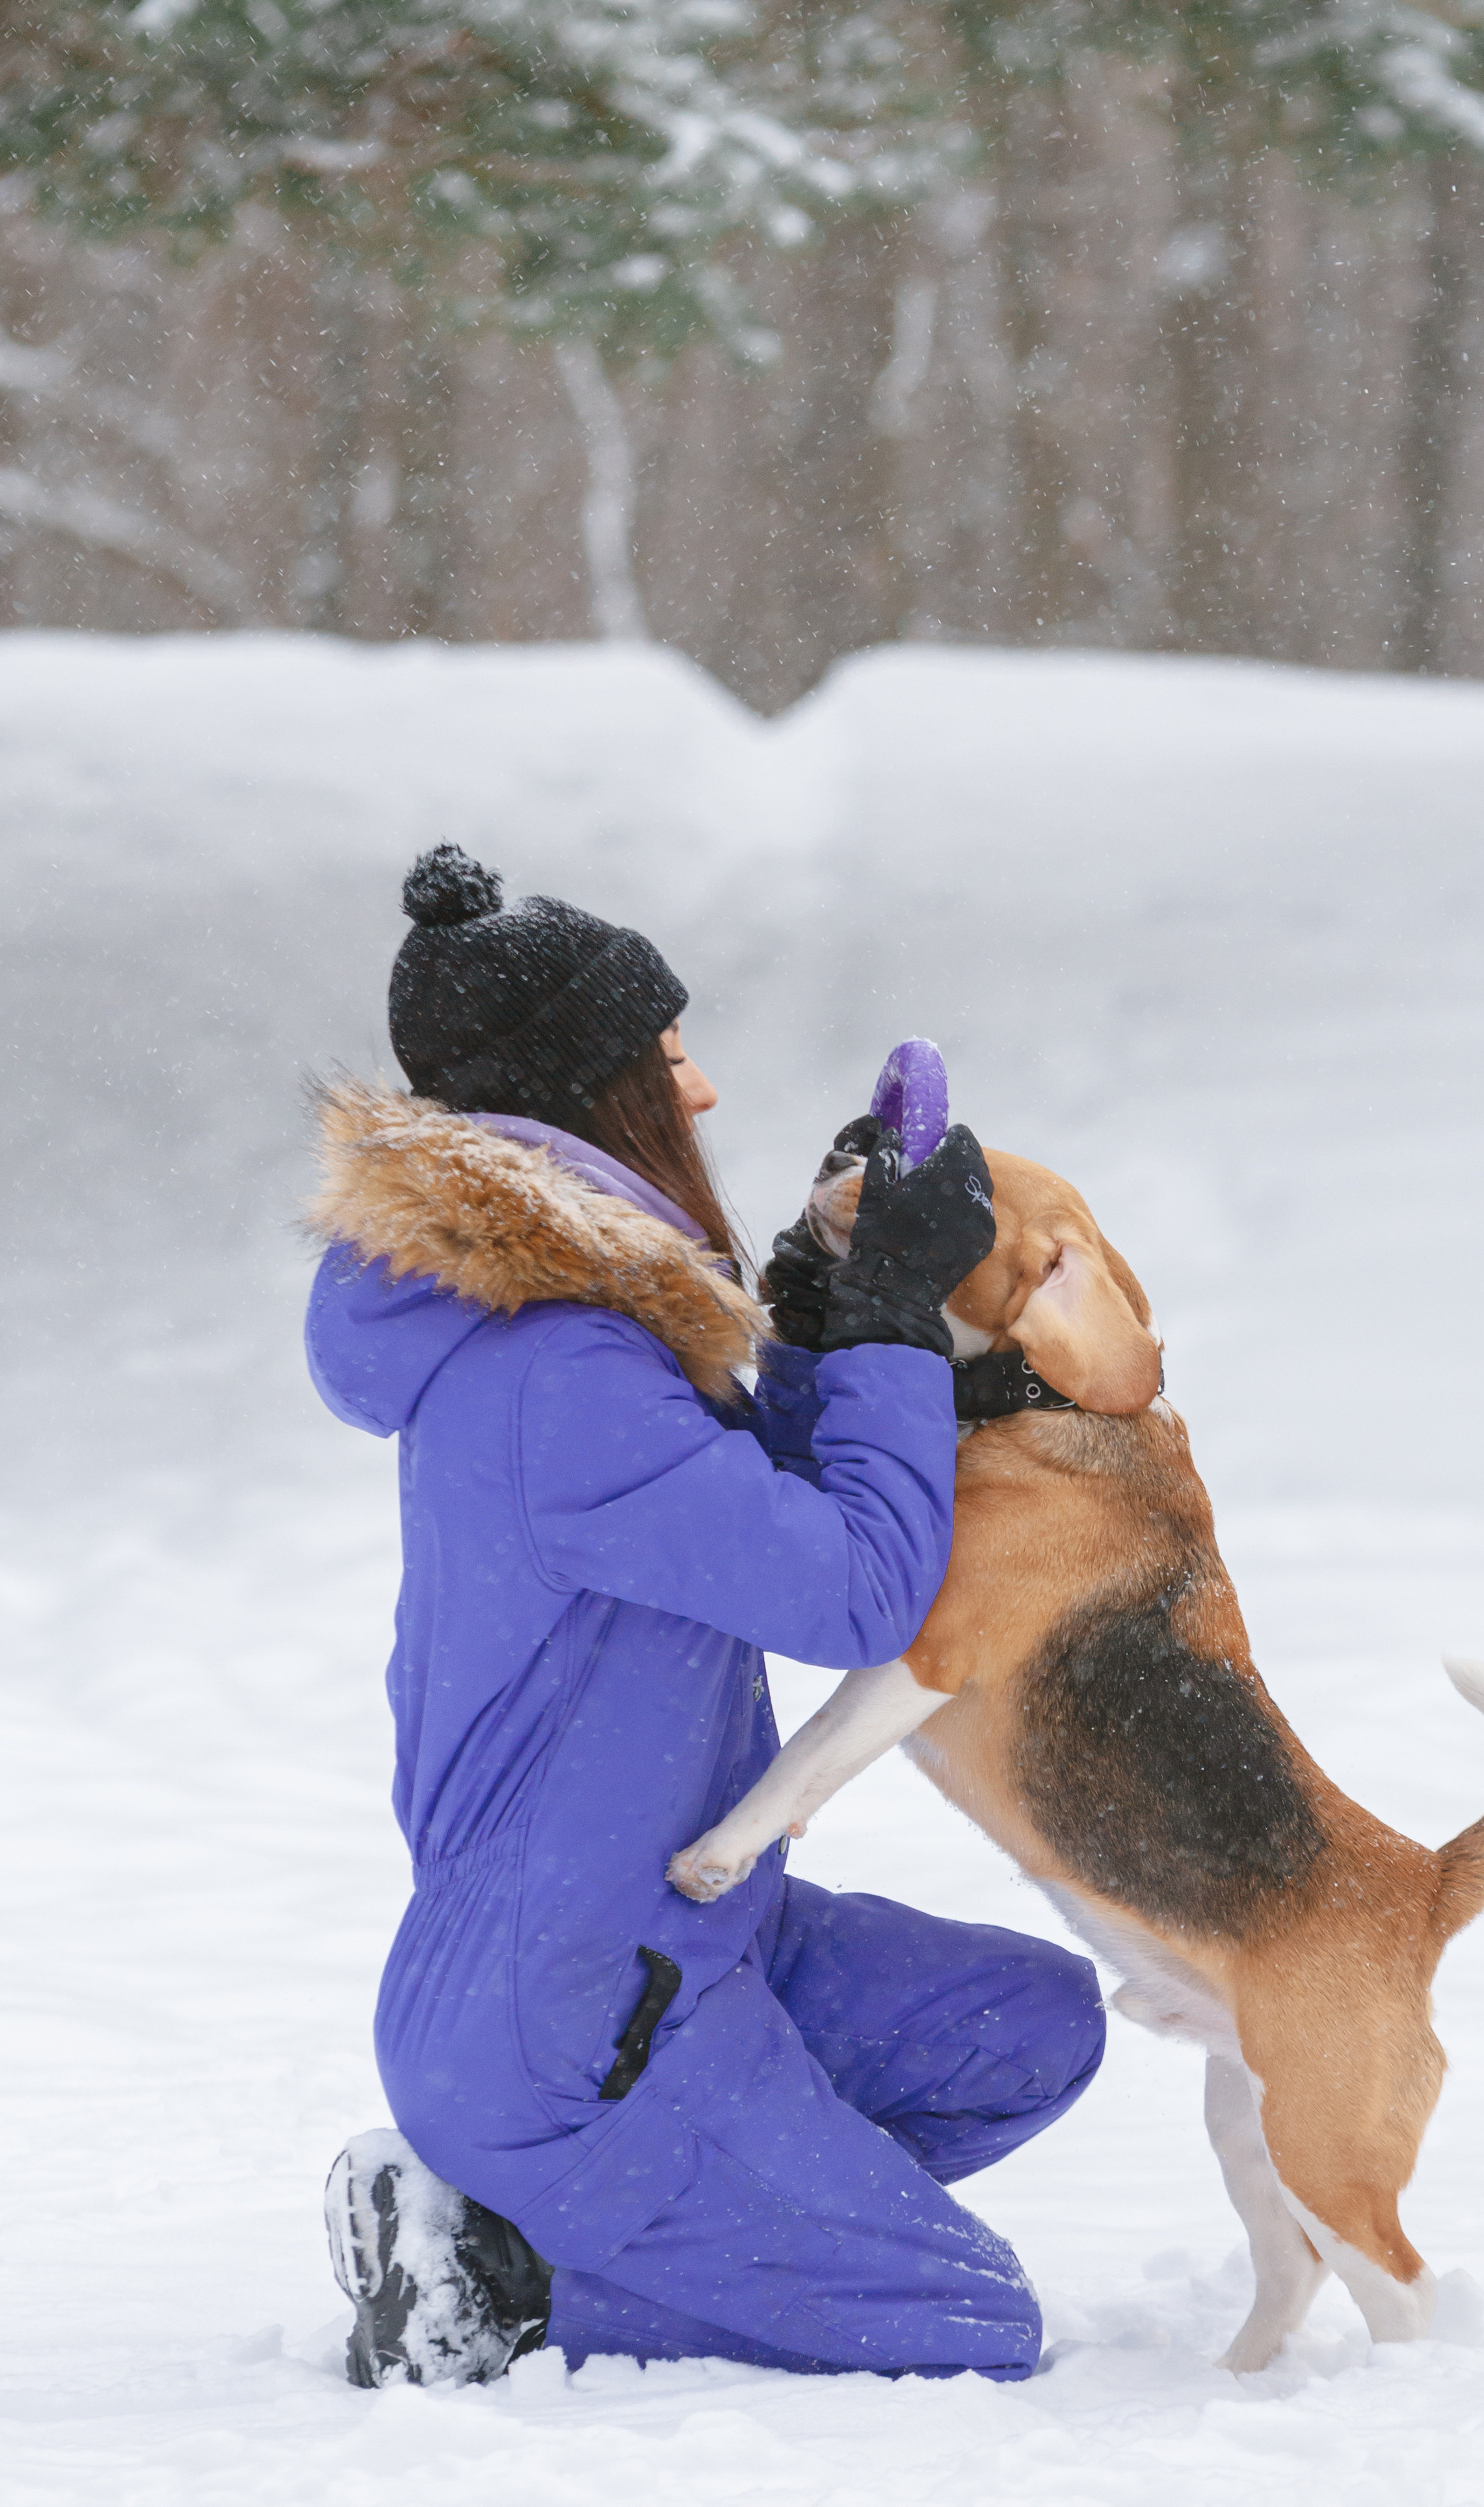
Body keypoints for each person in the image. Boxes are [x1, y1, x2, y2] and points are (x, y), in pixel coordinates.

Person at [306, 843, 1105, 2389]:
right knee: (960, 2323)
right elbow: (848, 1589)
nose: (703, 1092)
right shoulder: (557, 1374)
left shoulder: (581, 1328)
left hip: (684, 1945)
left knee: (1028, 2025)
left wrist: (826, 1290)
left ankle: (698, 2214)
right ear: (588, 1096)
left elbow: (774, 1489)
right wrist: (879, 1323)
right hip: (578, 2022)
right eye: (668, 1059)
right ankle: (497, 2270)